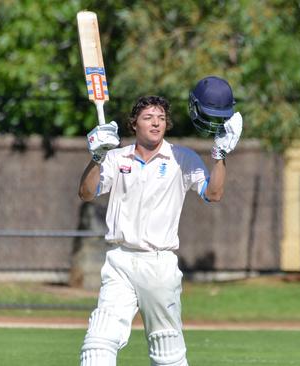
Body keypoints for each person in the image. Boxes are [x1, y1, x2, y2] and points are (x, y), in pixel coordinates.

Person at [78, 76, 242, 366]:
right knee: (98, 342)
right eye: (148, 117)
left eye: (161, 118)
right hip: (120, 261)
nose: (155, 123)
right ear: (134, 124)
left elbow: (213, 194)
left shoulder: (182, 158)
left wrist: (220, 155)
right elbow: (86, 193)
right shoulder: (115, 158)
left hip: (159, 264)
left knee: (167, 352)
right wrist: (96, 157)